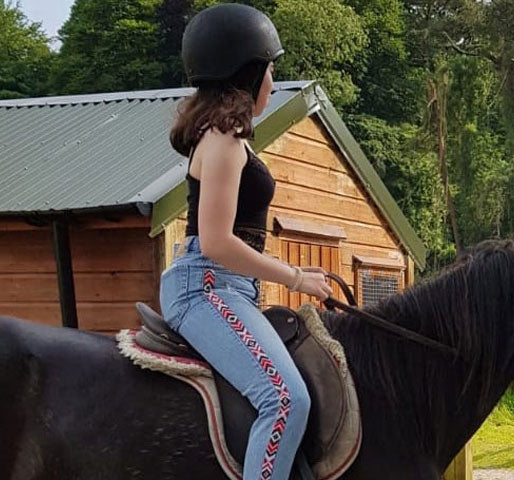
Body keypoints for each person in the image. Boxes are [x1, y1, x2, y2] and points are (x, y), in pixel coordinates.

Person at [159, 4, 333, 479]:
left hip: (230, 290)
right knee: (285, 400)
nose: (274, 84)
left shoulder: (230, 140)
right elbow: (215, 242)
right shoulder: (222, 142)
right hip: (206, 289)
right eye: (270, 70)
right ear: (248, 73)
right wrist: (295, 276)